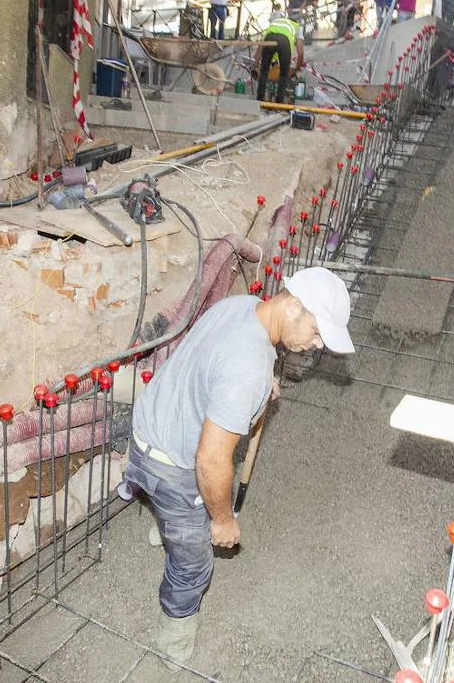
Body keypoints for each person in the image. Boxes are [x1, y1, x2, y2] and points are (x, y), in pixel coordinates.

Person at [126, 267, 355, 666]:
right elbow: (211, 460)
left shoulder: (243, 307)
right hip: (171, 464)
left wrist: (262, 379)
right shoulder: (246, 369)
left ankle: (175, 525)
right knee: (194, 563)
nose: (316, 345)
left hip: (150, 424)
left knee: (183, 505)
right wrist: (222, 520)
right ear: (294, 306)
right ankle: (172, 641)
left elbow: (213, 364)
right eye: (317, 333)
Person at [255, 14, 305, 104]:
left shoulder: (276, 22)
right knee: (283, 75)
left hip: (269, 37)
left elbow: (261, 45)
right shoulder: (297, 27)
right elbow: (300, 53)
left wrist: (256, 64)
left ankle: (259, 101)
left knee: (264, 71)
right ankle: (279, 103)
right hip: (284, 41)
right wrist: (296, 69)